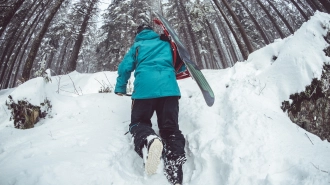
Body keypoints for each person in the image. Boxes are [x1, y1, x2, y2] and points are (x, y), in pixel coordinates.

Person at [115, 24, 186, 185]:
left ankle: (149, 140)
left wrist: (120, 87)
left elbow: (125, 67)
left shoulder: (137, 46)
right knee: (170, 129)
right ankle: (174, 168)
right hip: (169, 90)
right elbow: (180, 65)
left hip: (144, 91)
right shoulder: (166, 42)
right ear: (152, 31)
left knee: (138, 123)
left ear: (138, 33)